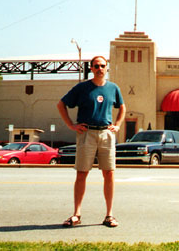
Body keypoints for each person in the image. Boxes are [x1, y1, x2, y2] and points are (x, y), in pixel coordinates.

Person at [57, 55, 125, 228]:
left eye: (103, 65)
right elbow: (61, 104)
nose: (100, 68)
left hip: (106, 135)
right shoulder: (82, 88)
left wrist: (117, 125)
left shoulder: (113, 88)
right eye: (96, 66)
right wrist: (71, 125)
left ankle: (109, 215)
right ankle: (76, 214)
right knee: (82, 173)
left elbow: (122, 107)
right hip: (86, 134)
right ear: (91, 68)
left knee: (109, 173)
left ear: (106, 68)